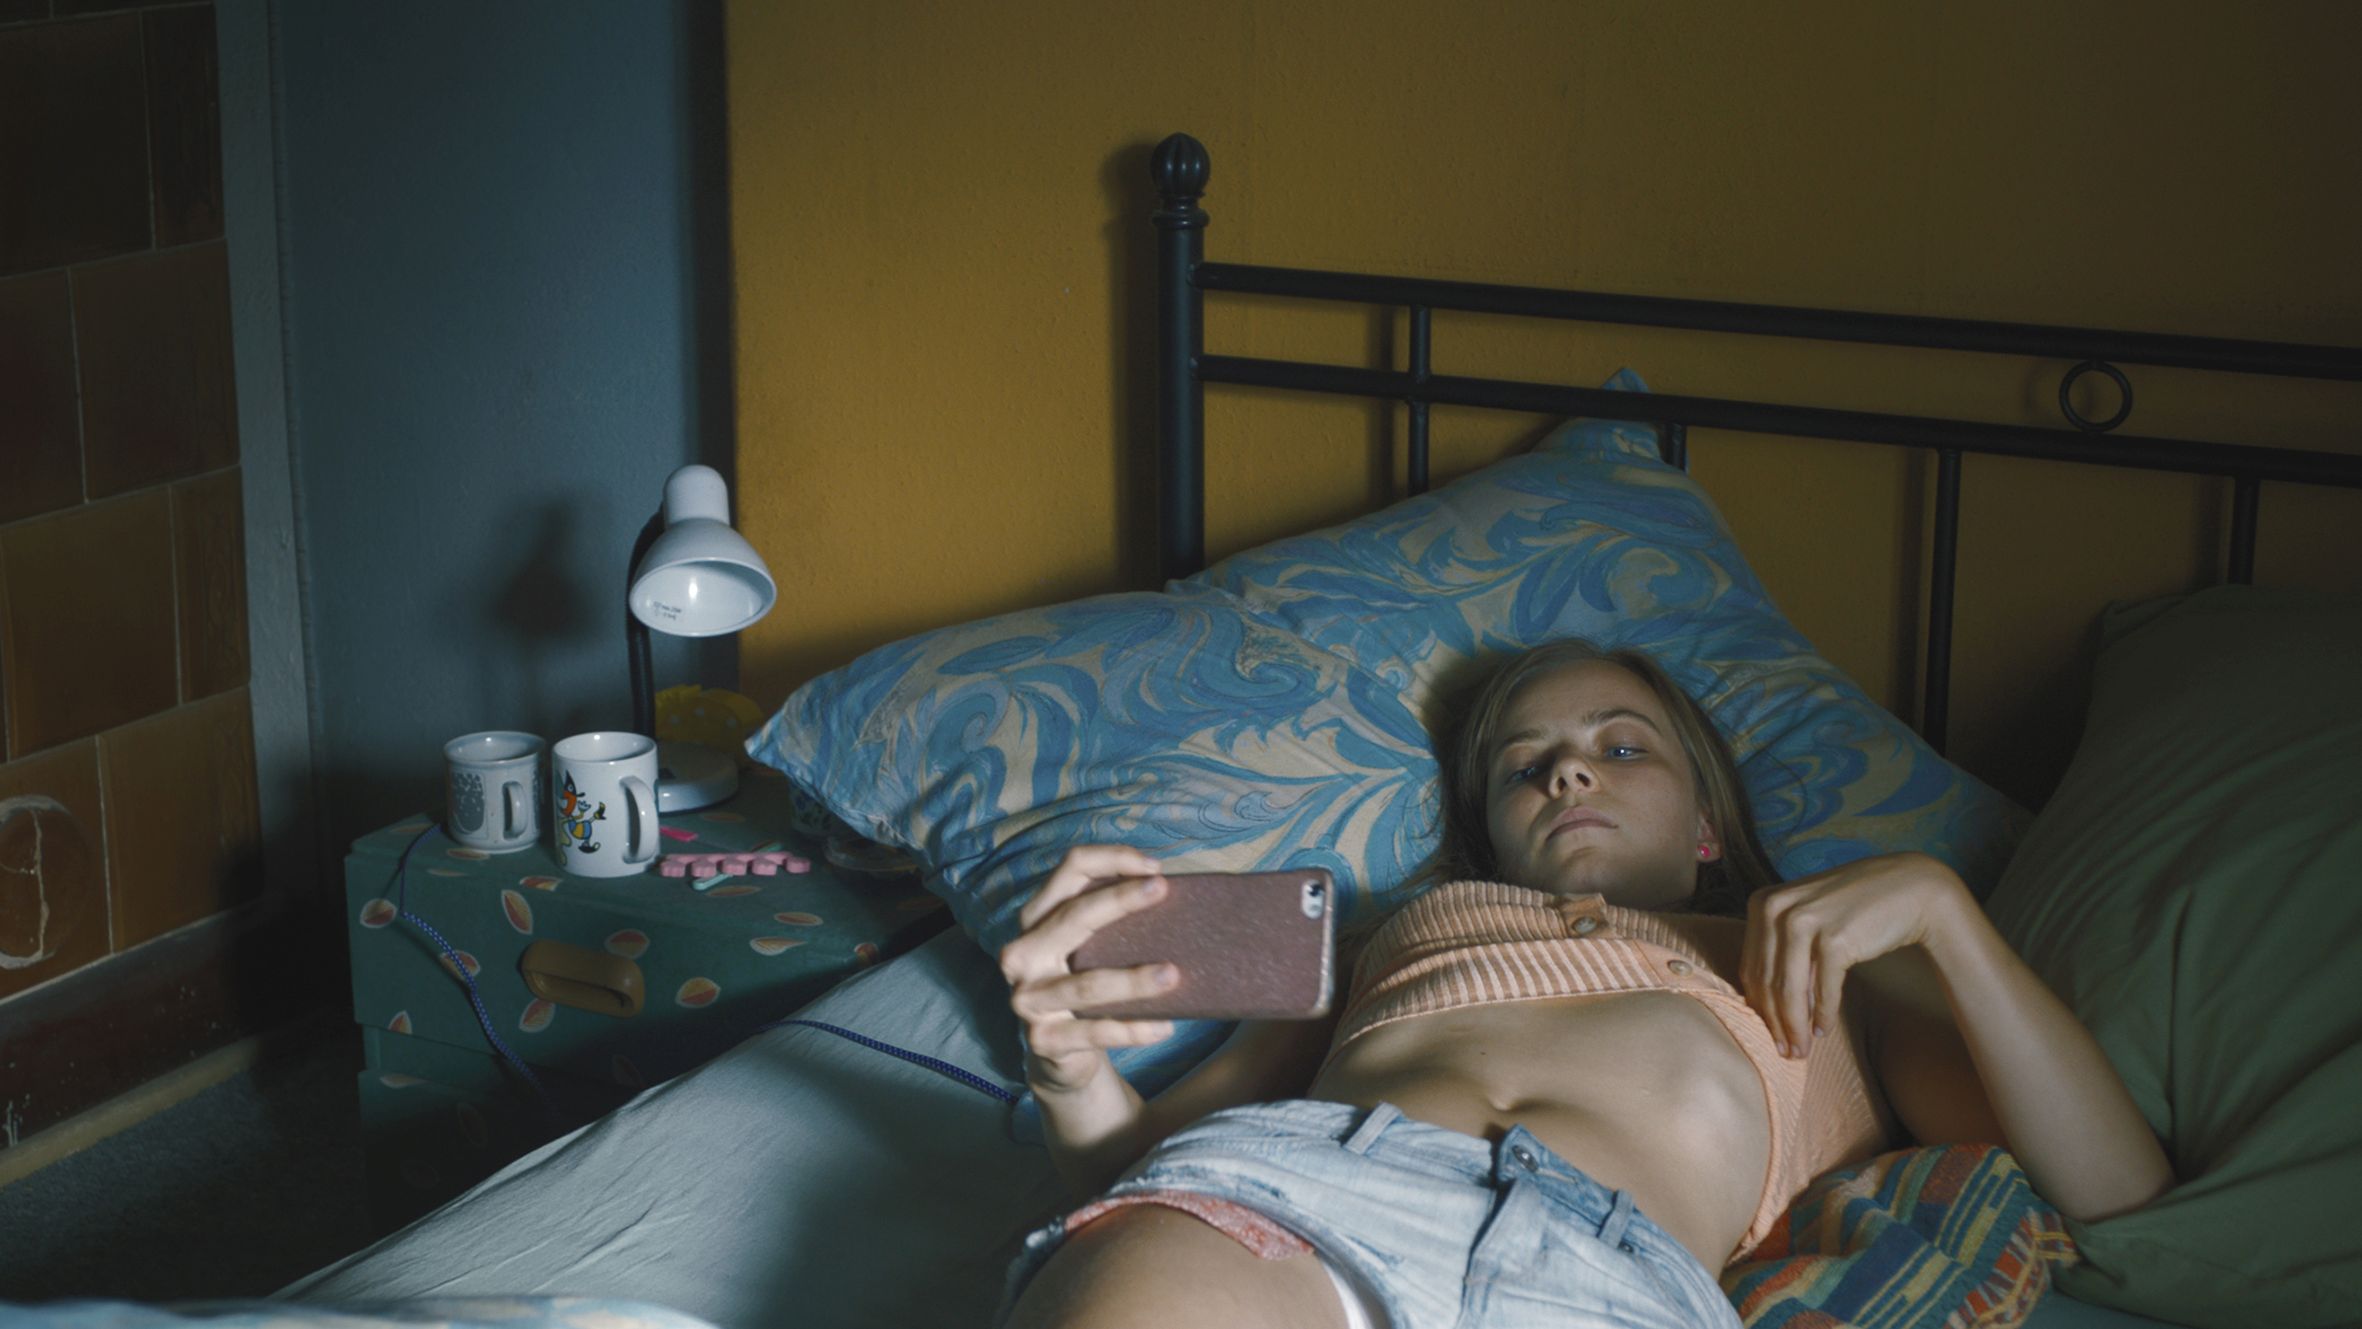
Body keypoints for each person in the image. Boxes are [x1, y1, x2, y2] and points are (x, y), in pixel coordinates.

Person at [996, 638, 2172, 1329]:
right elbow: (1130, 1166)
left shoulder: (1827, 954)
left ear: (1705, 824)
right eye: (1526, 767)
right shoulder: (1401, 931)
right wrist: (1067, 1070)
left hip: (1611, 1271)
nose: (1567, 773)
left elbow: (2115, 1187)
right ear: (1493, 837)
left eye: (1619, 747)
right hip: (1303, 1194)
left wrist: (1948, 919)